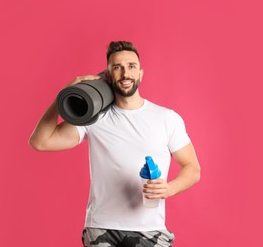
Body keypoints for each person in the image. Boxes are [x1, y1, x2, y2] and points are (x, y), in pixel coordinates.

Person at [29, 41, 201, 247]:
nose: (125, 73)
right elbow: (40, 142)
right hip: (101, 228)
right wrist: (61, 96)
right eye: (117, 67)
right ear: (108, 75)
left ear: (140, 74)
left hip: (149, 230)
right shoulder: (93, 118)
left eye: (131, 66)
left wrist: (170, 188)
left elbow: (192, 168)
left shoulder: (167, 118)